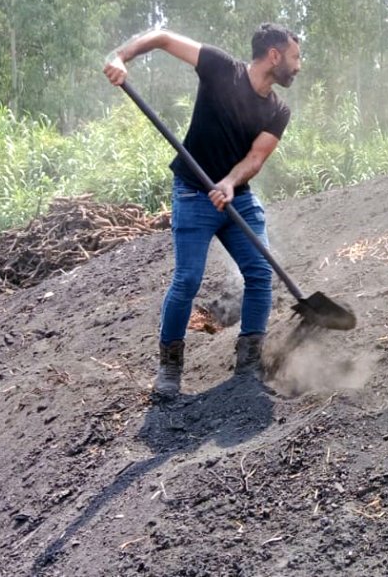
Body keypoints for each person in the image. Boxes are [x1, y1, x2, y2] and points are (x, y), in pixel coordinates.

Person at [103, 24, 301, 398]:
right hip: (194, 194)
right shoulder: (219, 67)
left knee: (260, 272)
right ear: (274, 55)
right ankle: (170, 369)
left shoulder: (278, 110)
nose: (298, 66)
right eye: (295, 57)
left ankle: (247, 365)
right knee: (188, 279)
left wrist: (228, 182)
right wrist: (120, 56)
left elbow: (256, 158)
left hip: (236, 196)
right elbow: (161, 37)